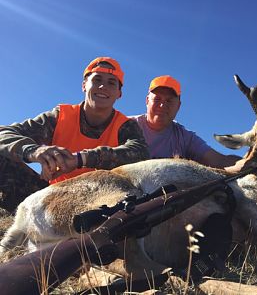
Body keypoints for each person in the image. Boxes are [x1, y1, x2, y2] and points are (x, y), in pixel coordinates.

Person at [0, 57, 149, 211]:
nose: (103, 86)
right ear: (84, 85)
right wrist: (33, 151)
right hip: (51, 196)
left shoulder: (125, 126)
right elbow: (4, 133)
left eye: (111, 82)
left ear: (119, 93)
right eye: (97, 80)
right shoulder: (60, 116)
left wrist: (80, 159)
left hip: (101, 202)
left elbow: (141, 152)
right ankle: (24, 224)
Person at [131, 75, 240, 169]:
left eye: (169, 101)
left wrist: (250, 161)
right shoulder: (125, 125)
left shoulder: (185, 137)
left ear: (178, 106)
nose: (162, 105)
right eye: (157, 99)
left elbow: (219, 161)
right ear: (147, 101)